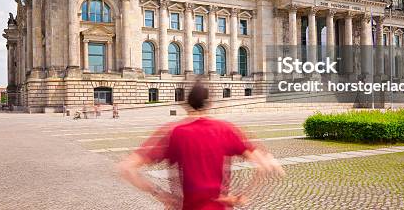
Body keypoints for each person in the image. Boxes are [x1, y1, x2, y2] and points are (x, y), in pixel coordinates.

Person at [119, 81, 284, 209]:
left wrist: (160, 194)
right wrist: (240, 196)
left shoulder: (173, 132)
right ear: (210, 103)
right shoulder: (226, 129)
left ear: (186, 103)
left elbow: (126, 168)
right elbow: (264, 165)